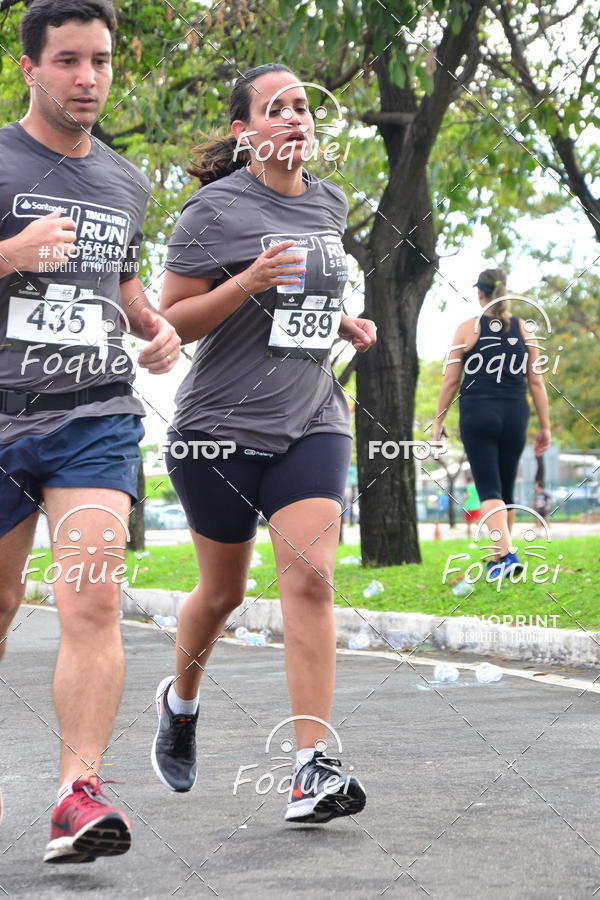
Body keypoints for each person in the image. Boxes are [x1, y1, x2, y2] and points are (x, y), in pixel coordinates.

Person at [152, 63, 375, 823]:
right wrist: (247, 281)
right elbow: (169, 323)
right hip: (219, 426)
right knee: (223, 593)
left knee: (311, 576)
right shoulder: (211, 212)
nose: (295, 119)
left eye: (303, 108)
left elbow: (308, 296)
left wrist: (342, 321)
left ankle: (313, 767)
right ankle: (180, 702)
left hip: (313, 414)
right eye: (276, 110)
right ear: (246, 131)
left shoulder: (330, 201)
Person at [0, 0, 180, 863]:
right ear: (29, 66)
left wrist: (152, 323)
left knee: (93, 591)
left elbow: (119, 276)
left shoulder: (125, 179)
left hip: (94, 416)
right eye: (68, 61)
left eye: (101, 61)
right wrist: (8, 254)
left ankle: (79, 793)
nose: (88, 79)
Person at [433, 268, 551, 579]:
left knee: (489, 490)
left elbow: (450, 382)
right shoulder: (525, 330)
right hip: (516, 415)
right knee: (506, 490)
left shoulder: (467, 329)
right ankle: (499, 560)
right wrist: (545, 426)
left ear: (479, 294)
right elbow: (536, 382)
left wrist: (438, 421)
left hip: (478, 415)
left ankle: (507, 555)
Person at [463, 474, 481, 539]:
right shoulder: (476, 487)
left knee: (468, 524)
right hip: (477, 507)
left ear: (467, 481)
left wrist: (463, 501)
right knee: (477, 523)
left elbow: (467, 495)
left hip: (468, 507)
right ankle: (479, 536)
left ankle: (468, 537)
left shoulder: (467, 487)